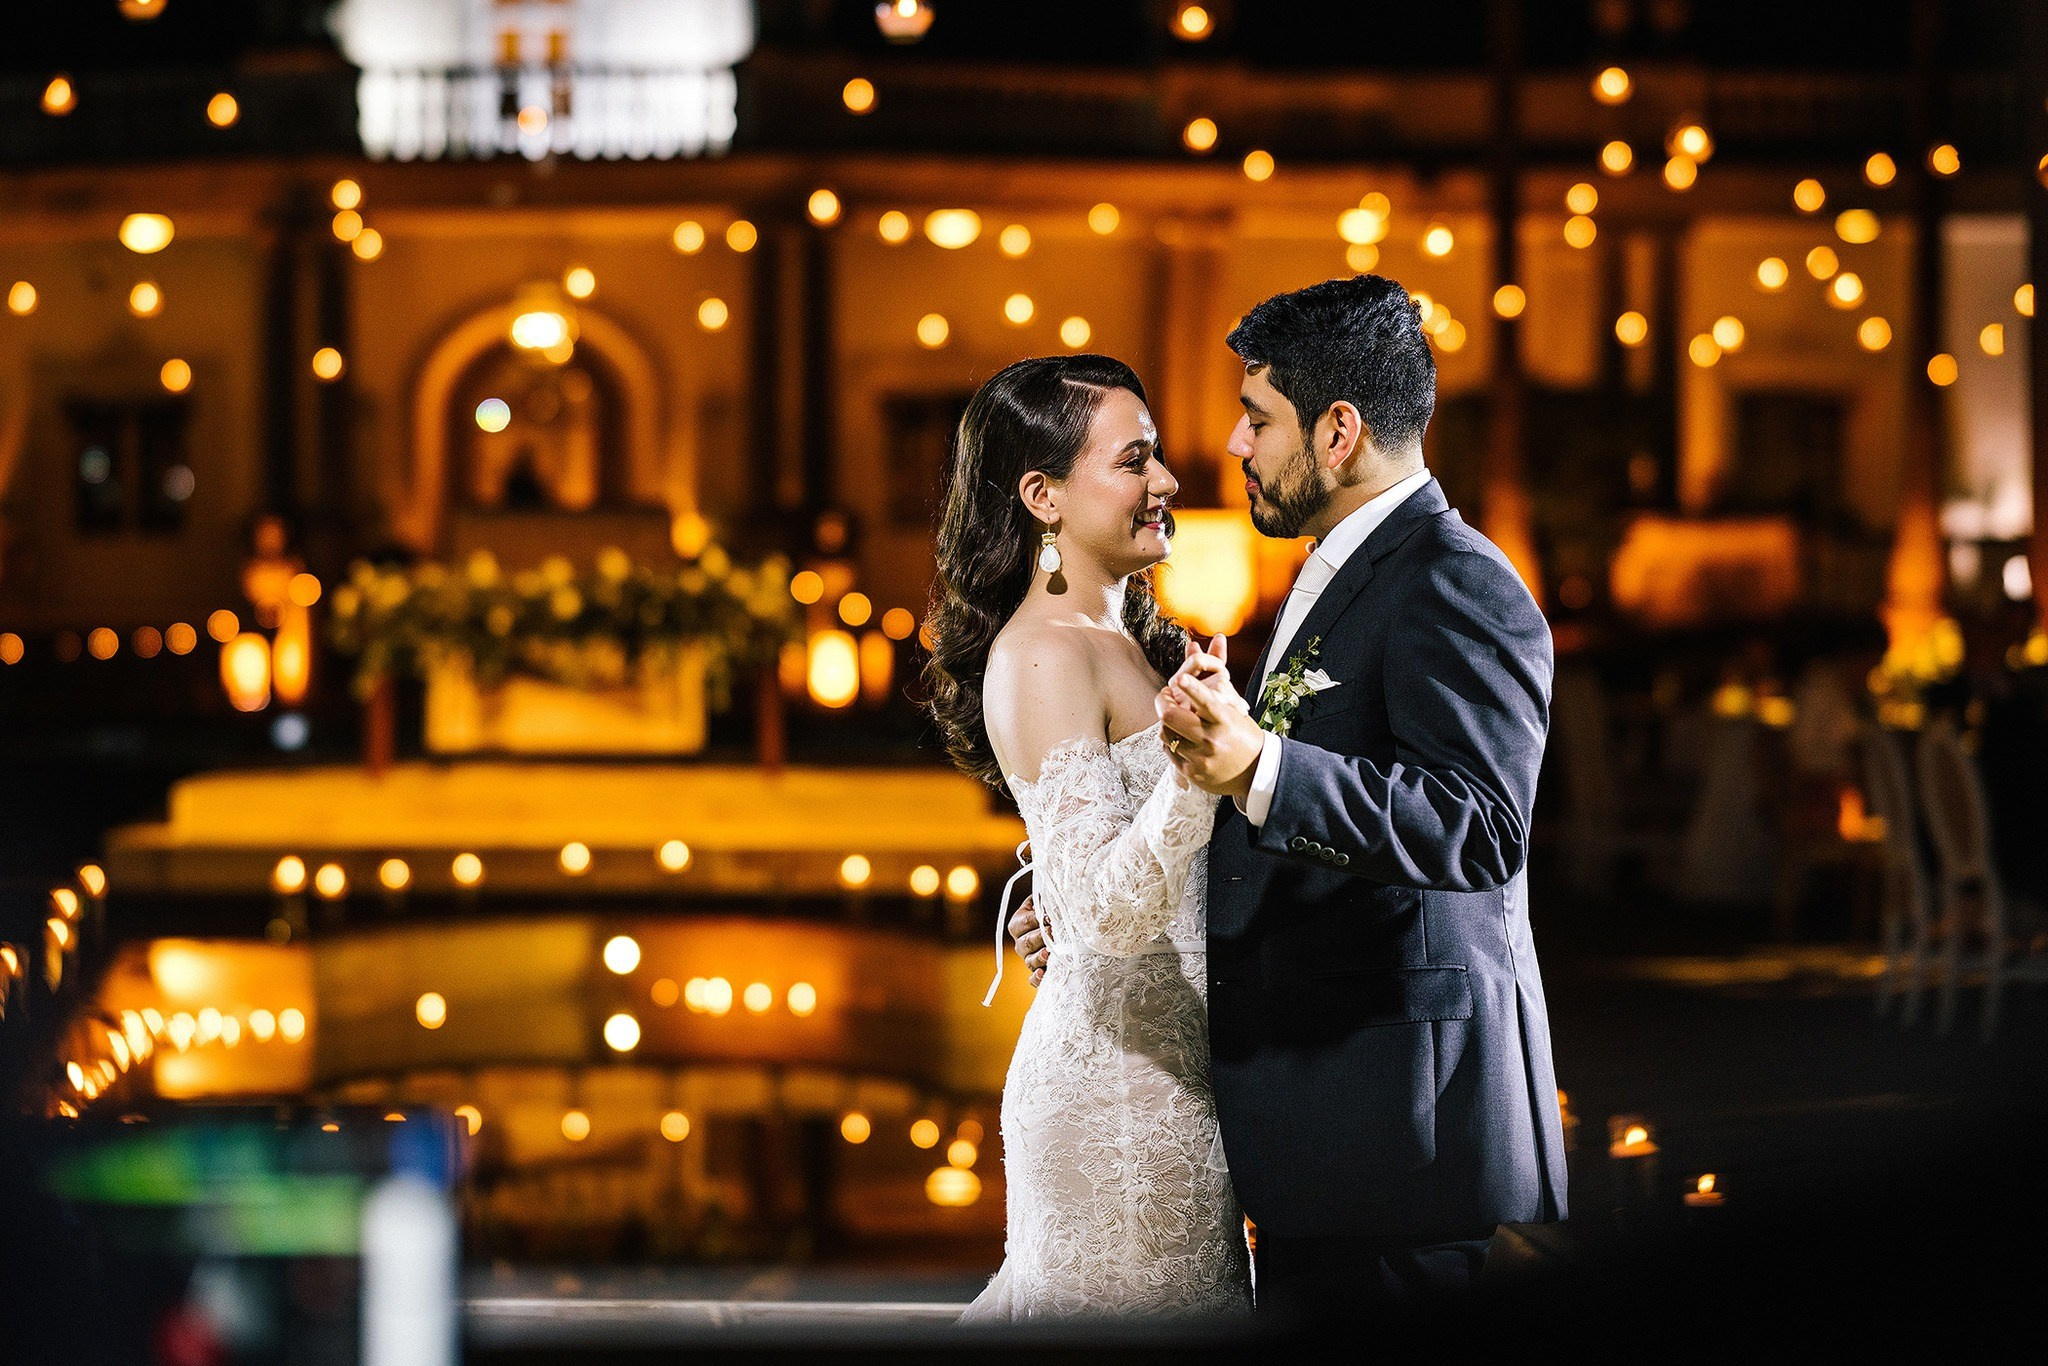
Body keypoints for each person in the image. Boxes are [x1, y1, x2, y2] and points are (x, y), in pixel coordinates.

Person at [1012, 275, 1568, 1320]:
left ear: (1338, 430)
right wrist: (1109, 929)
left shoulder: (1456, 580)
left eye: (1257, 417)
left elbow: (1479, 826)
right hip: (1335, 1123)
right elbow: (1281, 832)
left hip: (1397, 1124)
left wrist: (1262, 766)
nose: (1233, 443)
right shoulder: (1342, 569)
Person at [923, 354, 1251, 1319]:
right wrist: (1197, 770)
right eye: (1136, 460)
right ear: (1044, 497)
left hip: (1178, 1082)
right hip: (1120, 1102)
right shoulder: (1040, 651)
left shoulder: (1130, 641)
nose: (1168, 483)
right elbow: (1105, 912)